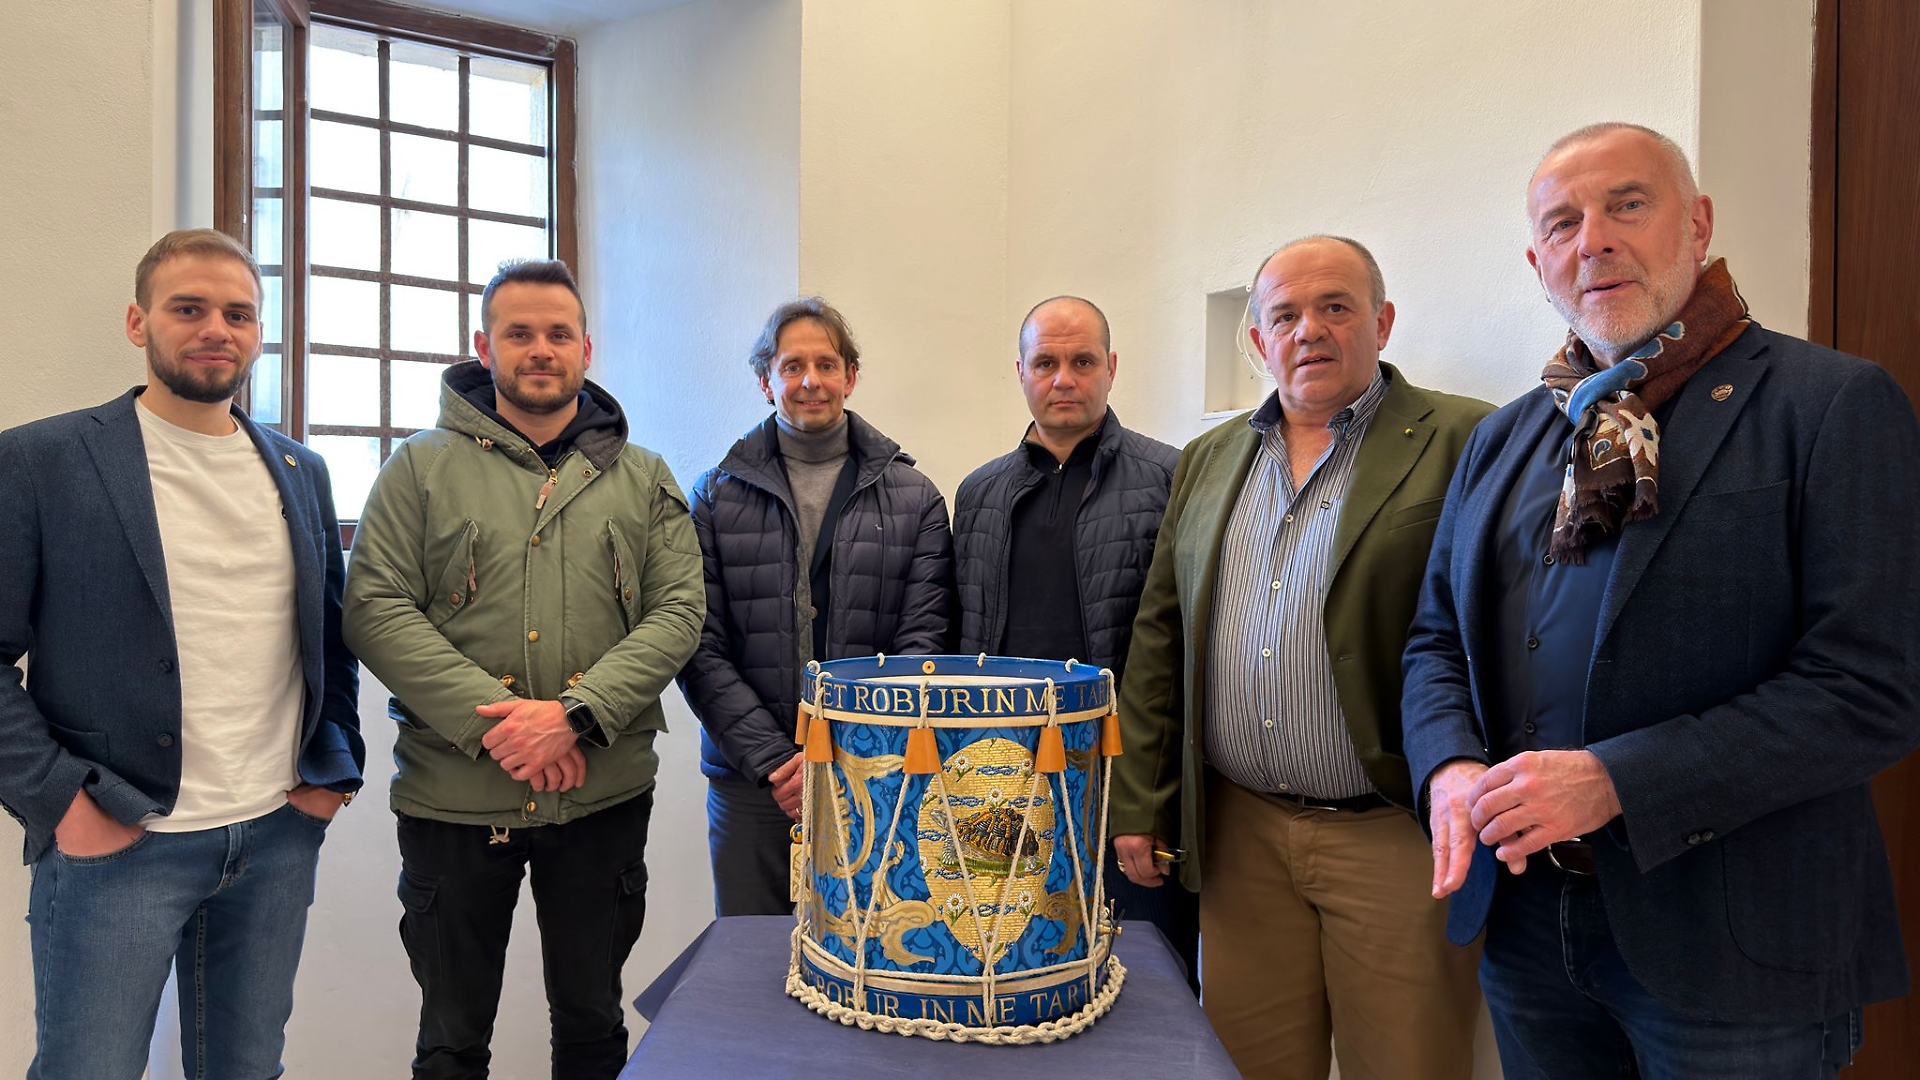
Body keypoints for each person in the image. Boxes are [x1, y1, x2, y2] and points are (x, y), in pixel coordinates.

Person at [1404, 122, 1920, 1078]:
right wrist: (1449, 766)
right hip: (1527, 921)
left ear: (1698, 224)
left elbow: (1869, 691)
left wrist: (1616, 781)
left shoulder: (1830, 405)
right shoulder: (1504, 439)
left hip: (1735, 943)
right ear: (1537, 262)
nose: (1593, 240)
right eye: (1562, 223)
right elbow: (1436, 640)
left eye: (1627, 205)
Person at [1113, 236, 1491, 1078]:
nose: (1308, 331)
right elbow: (1160, 634)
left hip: (1393, 833)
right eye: (1284, 316)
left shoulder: (1465, 438)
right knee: (1248, 1062)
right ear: (1259, 340)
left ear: (1382, 323)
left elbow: (1496, 629)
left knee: (1407, 1064)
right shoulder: (1210, 459)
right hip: (1241, 835)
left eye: (1335, 308)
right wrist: (1140, 797)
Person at [0, 228, 364, 1078]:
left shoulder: (301, 470)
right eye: (189, 309)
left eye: (238, 314)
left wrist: (332, 772)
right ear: (139, 323)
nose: (216, 330)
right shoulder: (41, 461)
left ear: (259, 333)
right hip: (120, 841)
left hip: (275, 837)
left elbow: (330, 636)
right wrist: (63, 806)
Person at [344, 259, 703, 1079]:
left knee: (592, 1024)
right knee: (450, 1038)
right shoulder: (417, 469)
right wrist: (507, 729)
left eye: (558, 334)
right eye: (520, 334)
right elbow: (375, 608)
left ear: (586, 348)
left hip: (601, 796)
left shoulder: (644, 477)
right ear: (484, 347)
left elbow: (679, 612)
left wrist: (571, 717)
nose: (541, 349)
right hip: (455, 800)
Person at [951, 294, 1199, 991]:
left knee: (1150, 977)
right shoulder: (978, 495)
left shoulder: (1171, 478)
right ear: (1021, 372)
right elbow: (959, 641)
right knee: (1021, 971)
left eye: (1083, 361)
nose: (1064, 379)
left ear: (1111, 368)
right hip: (1005, 782)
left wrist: (1153, 800)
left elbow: (1184, 654)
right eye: (1046, 363)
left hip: (1126, 781)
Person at [679, 297, 953, 916]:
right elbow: (698, 646)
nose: (811, 381)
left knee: (872, 949)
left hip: (876, 773)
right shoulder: (715, 497)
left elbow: (925, 644)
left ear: (850, 376)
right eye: (792, 366)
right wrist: (778, 763)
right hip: (753, 782)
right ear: (766, 380)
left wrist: (848, 751)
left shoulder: (916, 499)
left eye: (827, 365)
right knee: (750, 955)